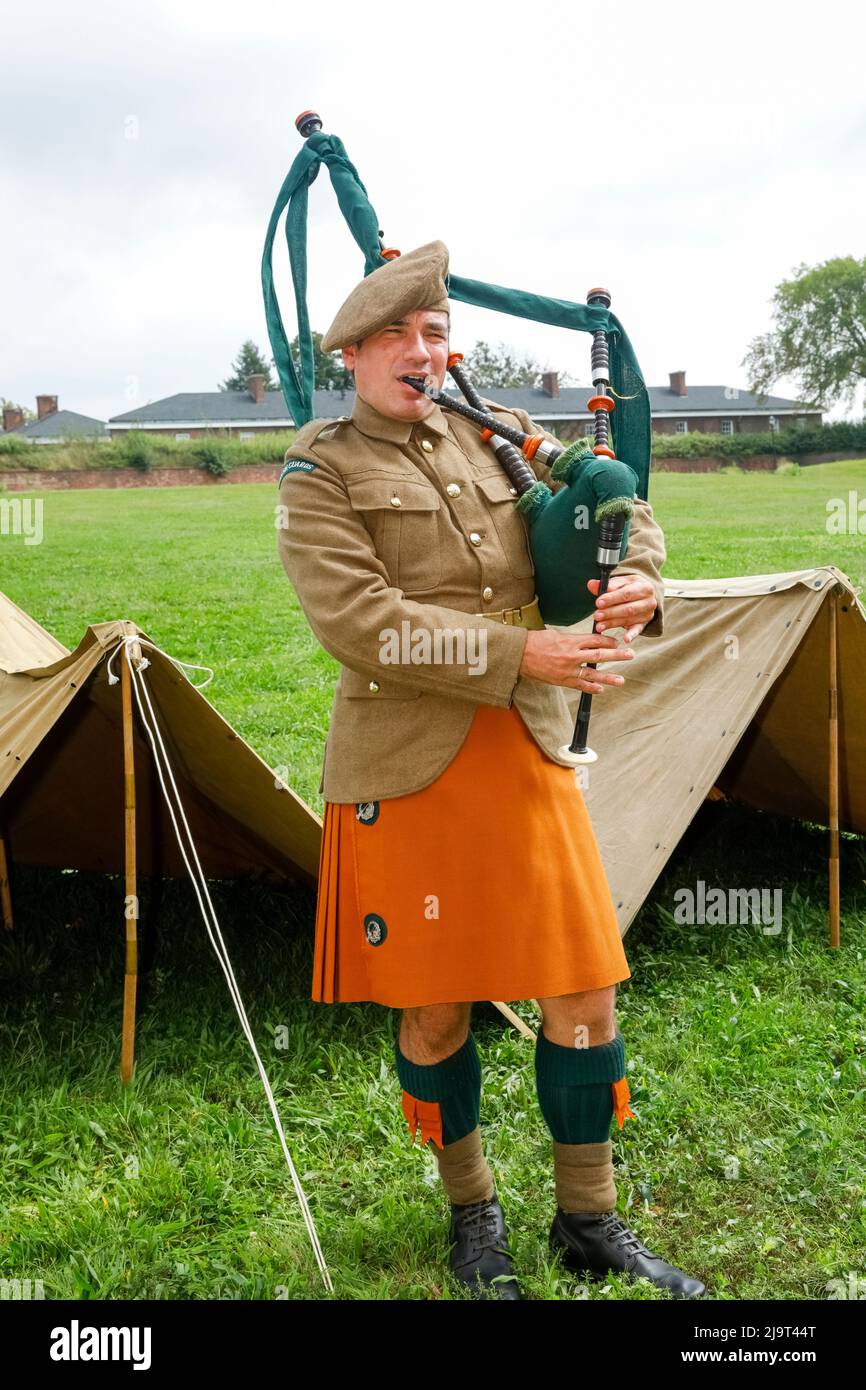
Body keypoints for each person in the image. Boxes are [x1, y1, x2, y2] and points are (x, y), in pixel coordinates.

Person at [276, 240, 705, 1301]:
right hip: (410, 759)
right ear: (354, 357)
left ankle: (587, 1219)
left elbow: (620, 499)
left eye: (432, 335)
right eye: (395, 340)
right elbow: (361, 624)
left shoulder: (500, 429)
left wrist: (632, 581)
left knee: (582, 988)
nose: (419, 355)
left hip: (525, 744)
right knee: (433, 1008)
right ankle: (473, 1216)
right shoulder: (318, 470)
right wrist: (523, 650)